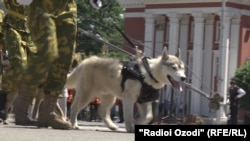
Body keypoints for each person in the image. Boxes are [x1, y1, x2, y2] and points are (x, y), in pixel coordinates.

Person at [15, 0, 78, 129]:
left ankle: (47, 112)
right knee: (44, 53)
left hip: (67, 7)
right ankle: (23, 103)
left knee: (64, 58)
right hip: (41, 5)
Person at [1, 0, 37, 126]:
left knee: (28, 72)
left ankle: (21, 113)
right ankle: (3, 104)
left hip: (29, 29)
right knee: (20, 64)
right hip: (13, 25)